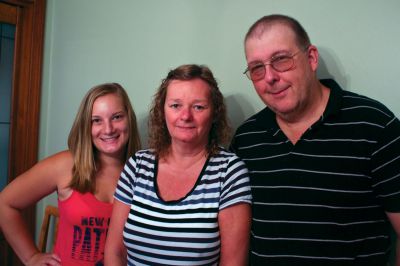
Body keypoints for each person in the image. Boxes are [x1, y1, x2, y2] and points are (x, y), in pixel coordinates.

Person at [230, 14, 400, 266]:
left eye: (281, 60)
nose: (269, 77)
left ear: (311, 58)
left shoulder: (374, 125)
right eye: (257, 68)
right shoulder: (247, 139)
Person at [105, 64, 252, 266]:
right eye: (176, 105)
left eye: (198, 107)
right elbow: (115, 252)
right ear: (162, 111)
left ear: (214, 114)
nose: (185, 116)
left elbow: (232, 263)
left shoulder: (229, 172)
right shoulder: (137, 166)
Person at [0, 83, 141, 266]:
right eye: (96, 120)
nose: (108, 129)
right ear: (86, 126)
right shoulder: (65, 165)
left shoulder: (144, 171)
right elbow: (5, 203)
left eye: (116, 117)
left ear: (129, 119)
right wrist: (30, 257)